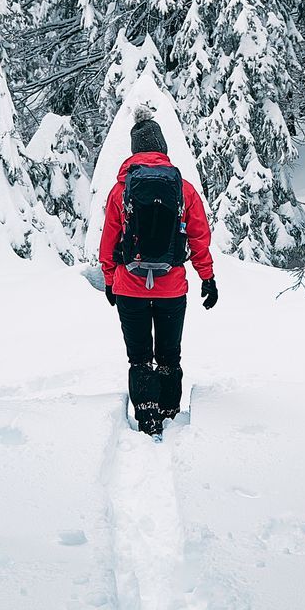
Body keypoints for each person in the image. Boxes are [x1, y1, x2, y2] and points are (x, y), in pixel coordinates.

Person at [100, 112, 218, 436]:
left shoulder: (119, 191)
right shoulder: (184, 189)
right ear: (163, 147)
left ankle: (147, 415)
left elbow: (108, 241)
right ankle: (169, 413)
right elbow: (199, 237)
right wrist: (207, 278)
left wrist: (110, 280)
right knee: (169, 354)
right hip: (171, 289)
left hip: (130, 287)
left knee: (139, 357)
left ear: (134, 150)